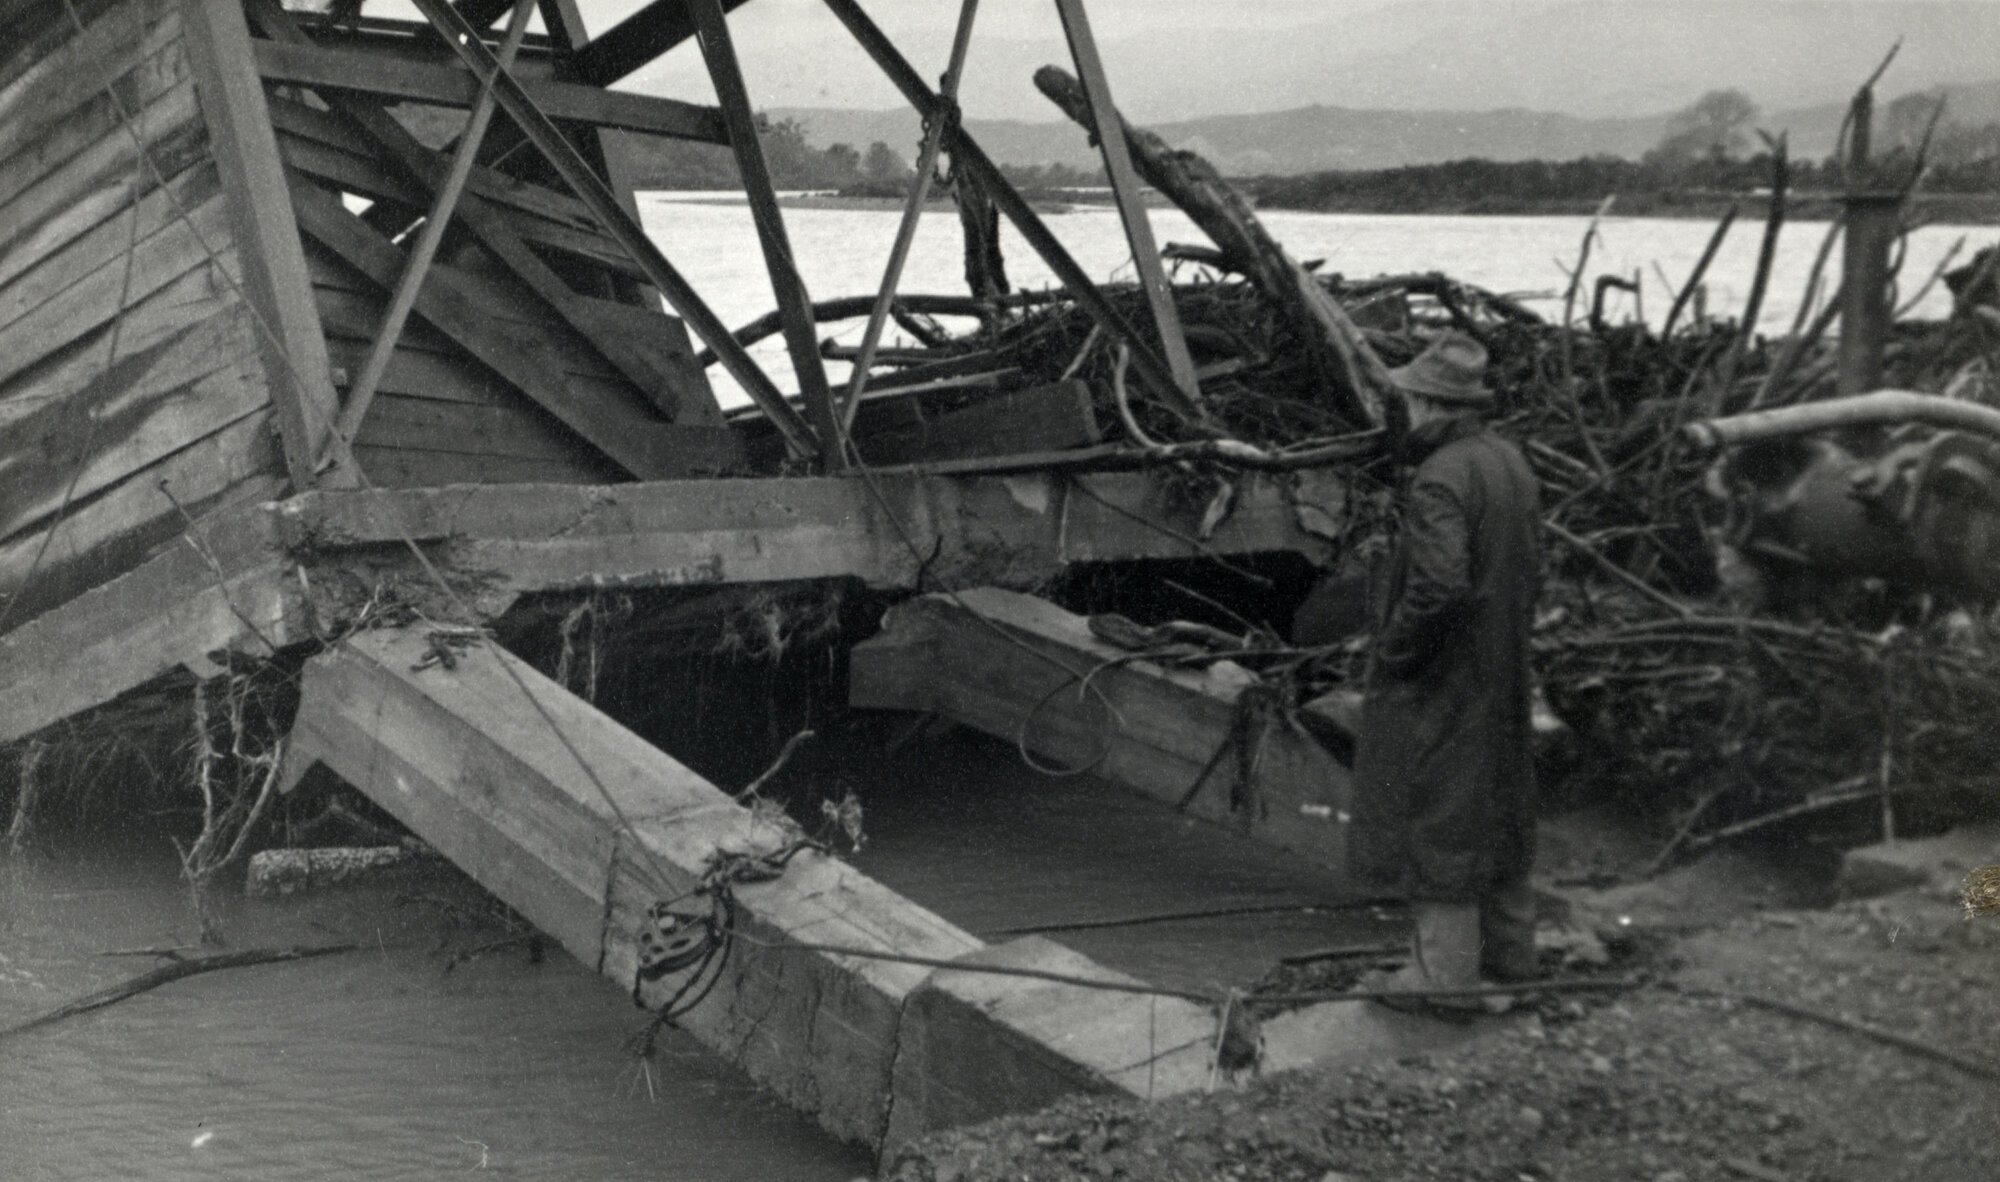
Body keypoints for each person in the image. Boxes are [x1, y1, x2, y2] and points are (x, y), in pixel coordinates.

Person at [1348, 331, 1543, 1014]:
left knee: (1441, 816)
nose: (1404, 409)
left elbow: (1439, 584)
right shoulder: (1508, 461)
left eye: (1409, 398)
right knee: (1501, 803)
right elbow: (1528, 568)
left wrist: (1394, 652)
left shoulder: (1441, 476)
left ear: (1430, 402)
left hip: (1449, 678)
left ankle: (1446, 979)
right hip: (1505, 664)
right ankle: (1513, 957)